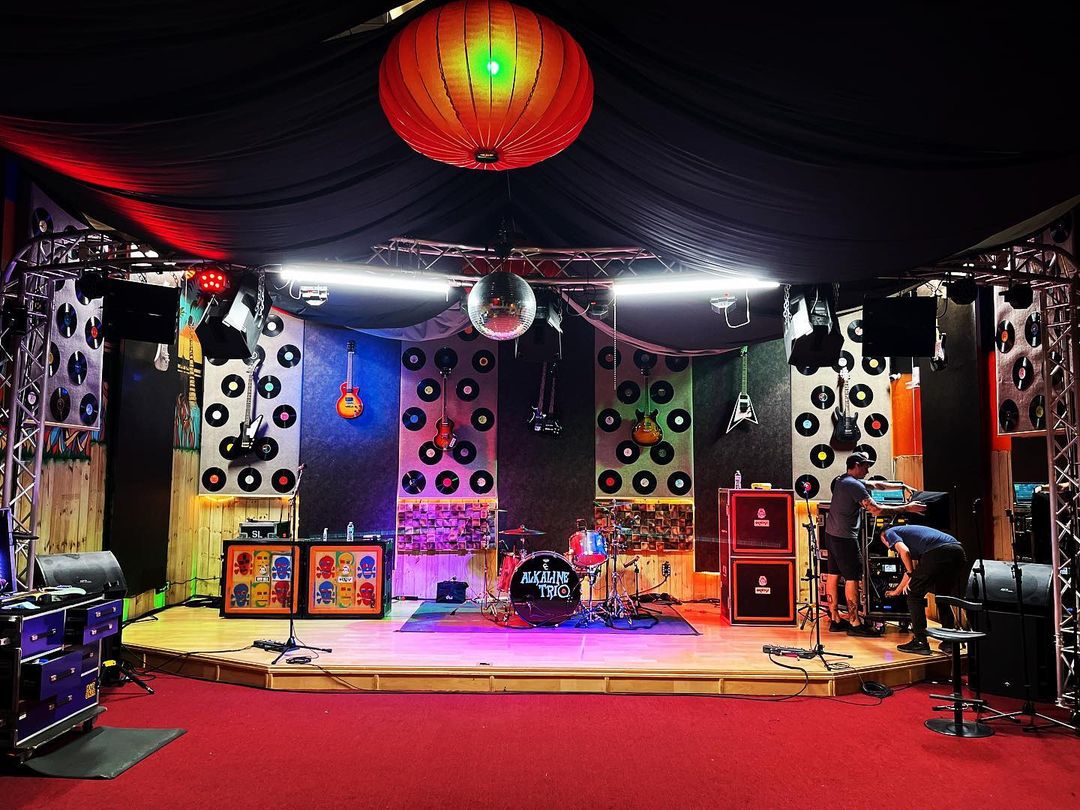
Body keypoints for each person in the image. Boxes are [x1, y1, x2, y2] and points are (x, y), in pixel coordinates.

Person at [823, 452, 925, 636]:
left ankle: (835, 620)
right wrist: (907, 508)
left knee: (833, 574)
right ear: (856, 465)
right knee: (852, 577)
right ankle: (855, 623)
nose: (868, 470)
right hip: (845, 538)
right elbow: (876, 510)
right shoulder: (854, 485)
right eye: (865, 466)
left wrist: (901, 486)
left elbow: (876, 484)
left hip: (831, 535)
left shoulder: (842, 480)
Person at [882, 523, 968, 655]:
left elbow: (904, 552)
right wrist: (896, 591)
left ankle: (920, 641)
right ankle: (949, 641)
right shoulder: (913, 539)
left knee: (913, 594)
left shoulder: (889, 532)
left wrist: (911, 576)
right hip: (957, 552)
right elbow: (911, 569)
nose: (889, 546)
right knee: (942, 596)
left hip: (937, 552)